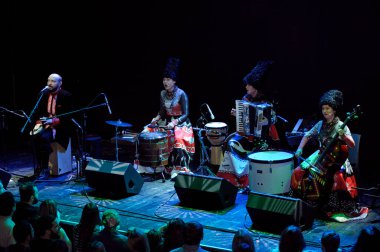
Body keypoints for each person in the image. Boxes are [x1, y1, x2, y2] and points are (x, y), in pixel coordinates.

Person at [290, 89, 368, 221]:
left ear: (334, 110)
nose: (325, 111)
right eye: (323, 108)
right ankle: (307, 202)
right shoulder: (320, 124)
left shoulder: (341, 125)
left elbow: (352, 144)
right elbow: (307, 135)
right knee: (299, 171)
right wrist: (299, 149)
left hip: (336, 159)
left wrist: (343, 135)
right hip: (321, 154)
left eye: (328, 108)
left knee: (335, 181)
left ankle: (329, 207)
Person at [217, 60, 281, 189]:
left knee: (261, 148)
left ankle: (250, 182)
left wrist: (263, 119)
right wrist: (238, 114)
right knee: (231, 144)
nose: (246, 87)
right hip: (248, 137)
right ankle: (234, 180)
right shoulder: (246, 98)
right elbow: (243, 123)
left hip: (265, 138)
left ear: (256, 86)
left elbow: (273, 120)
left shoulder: (269, 101)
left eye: (248, 85)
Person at [141, 57, 195, 179]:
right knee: (146, 132)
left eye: (168, 79)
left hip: (182, 123)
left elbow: (186, 114)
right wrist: (156, 117)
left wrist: (175, 122)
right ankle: (152, 167)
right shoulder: (162, 93)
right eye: (164, 79)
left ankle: (178, 169)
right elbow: (162, 111)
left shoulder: (181, 94)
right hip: (167, 121)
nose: (165, 82)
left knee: (178, 138)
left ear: (174, 81)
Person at [30, 73, 74, 179]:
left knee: (43, 138)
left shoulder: (66, 95)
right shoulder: (44, 94)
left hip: (59, 128)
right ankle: (40, 166)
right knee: (33, 136)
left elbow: (69, 115)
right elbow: (38, 111)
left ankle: (45, 168)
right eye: (48, 80)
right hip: (46, 125)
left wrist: (54, 121)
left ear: (60, 83)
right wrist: (39, 121)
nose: (50, 83)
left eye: (53, 81)